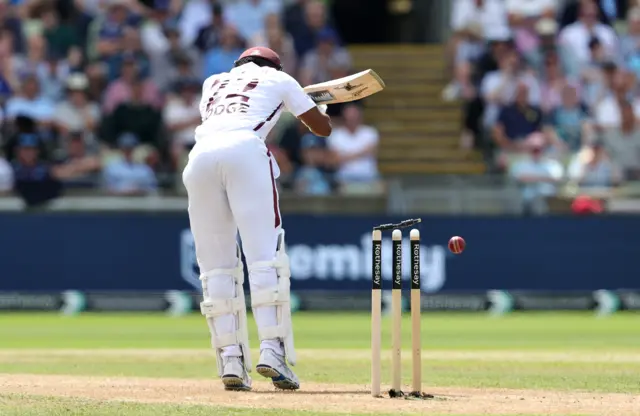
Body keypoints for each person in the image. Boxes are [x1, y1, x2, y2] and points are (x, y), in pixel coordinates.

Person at [182, 46, 331, 392]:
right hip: (245, 151)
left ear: (239, 65)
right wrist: (318, 106)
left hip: (200, 157)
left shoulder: (213, 82)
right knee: (265, 258)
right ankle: (272, 352)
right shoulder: (281, 78)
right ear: (274, 65)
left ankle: (230, 360)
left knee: (215, 266)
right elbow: (321, 129)